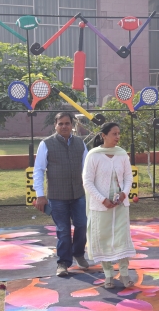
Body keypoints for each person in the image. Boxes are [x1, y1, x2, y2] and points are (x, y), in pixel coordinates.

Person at [34, 112, 89, 277]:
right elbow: (38, 170)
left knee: (82, 225)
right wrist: (40, 195)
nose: (64, 126)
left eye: (67, 123)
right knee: (63, 230)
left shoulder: (80, 143)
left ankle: (78, 253)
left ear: (72, 125)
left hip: (78, 194)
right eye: (61, 124)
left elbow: (87, 169)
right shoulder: (46, 144)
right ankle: (63, 263)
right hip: (57, 196)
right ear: (55, 125)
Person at [82, 122, 135, 290]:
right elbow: (87, 182)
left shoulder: (122, 154)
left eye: (119, 133)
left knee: (121, 238)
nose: (117, 137)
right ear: (103, 136)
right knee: (103, 238)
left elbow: (128, 177)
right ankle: (108, 275)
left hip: (120, 205)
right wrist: (103, 200)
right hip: (100, 206)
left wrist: (124, 193)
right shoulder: (94, 155)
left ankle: (124, 273)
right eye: (114, 134)